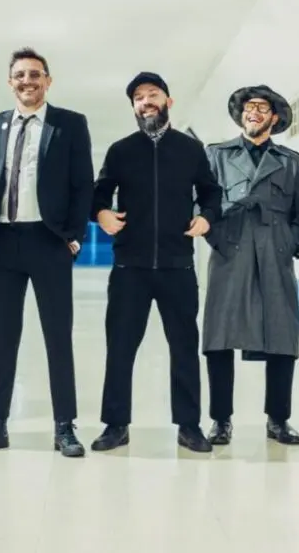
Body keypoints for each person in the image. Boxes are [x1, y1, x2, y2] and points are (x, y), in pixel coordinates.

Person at [0, 47, 94, 458]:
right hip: (1, 244)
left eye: (35, 74)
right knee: (3, 339)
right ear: (10, 82)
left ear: (48, 81)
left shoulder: (69, 124)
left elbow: (83, 185)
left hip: (49, 242)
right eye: (20, 75)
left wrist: (73, 237)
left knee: (58, 336)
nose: (27, 81)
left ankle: (64, 427)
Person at [89, 72, 221, 453]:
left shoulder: (191, 150)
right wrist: (101, 213)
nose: (146, 102)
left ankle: (189, 425)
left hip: (178, 266)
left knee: (184, 348)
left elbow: (211, 192)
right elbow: (98, 193)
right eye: (139, 98)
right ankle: (115, 424)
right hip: (129, 268)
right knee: (120, 347)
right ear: (133, 107)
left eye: (153, 95)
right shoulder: (120, 151)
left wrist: (207, 217)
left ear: (168, 102)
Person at [200, 85, 299, 446]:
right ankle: (220, 420)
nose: (254, 112)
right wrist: (217, 237)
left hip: (275, 255)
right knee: (219, 337)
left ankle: (278, 419)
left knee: (281, 336)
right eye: (248, 107)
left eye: (262, 107)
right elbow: (201, 204)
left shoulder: (291, 161)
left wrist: (289, 244)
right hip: (229, 254)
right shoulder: (216, 155)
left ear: (274, 118)